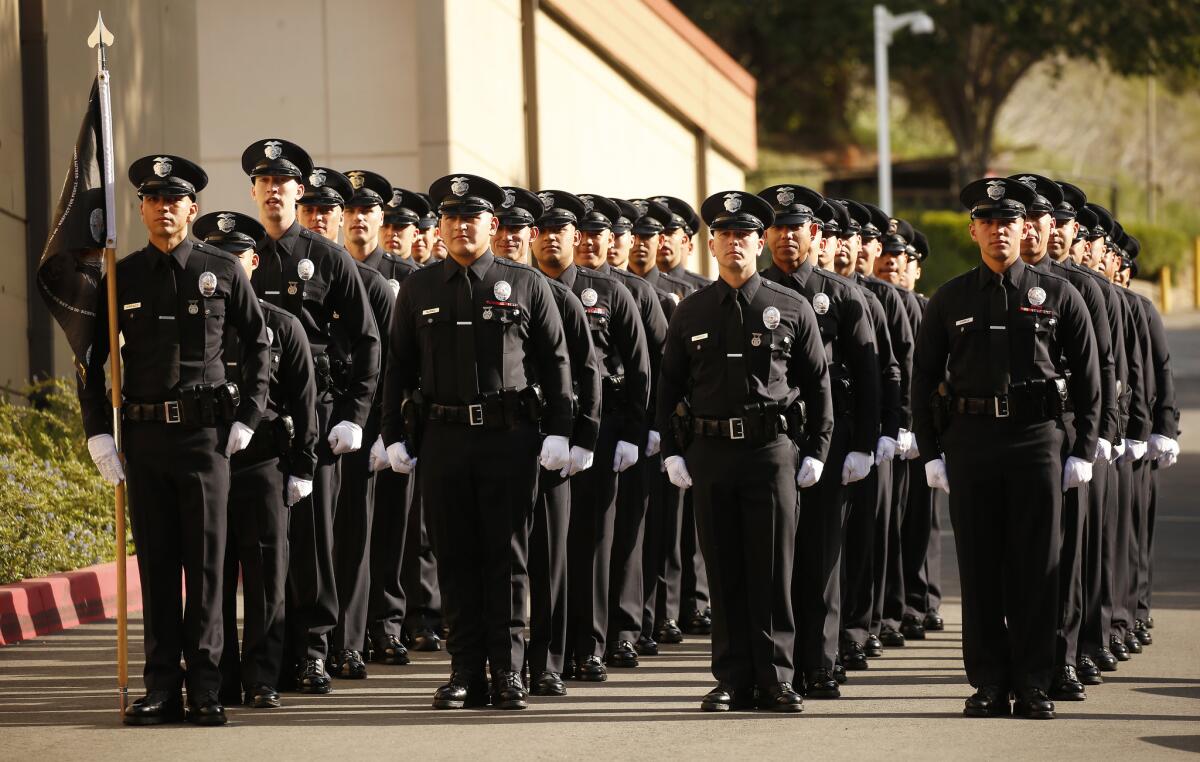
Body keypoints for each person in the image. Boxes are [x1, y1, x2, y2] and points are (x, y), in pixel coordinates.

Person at [81, 155, 270, 726]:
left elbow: (260, 344)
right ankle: (162, 686)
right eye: (154, 200)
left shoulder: (223, 269)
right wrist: (98, 432)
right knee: (158, 568)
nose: (164, 209)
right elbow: (92, 359)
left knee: (208, 567)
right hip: (143, 439)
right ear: (141, 209)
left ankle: (206, 687)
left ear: (193, 209)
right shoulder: (122, 276)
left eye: (175, 200)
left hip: (203, 440)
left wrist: (249, 416)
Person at [381, 173, 574, 710]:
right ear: (439, 226)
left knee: (506, 558)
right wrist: (393, 435)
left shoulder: (527, 284)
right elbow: (397, 368)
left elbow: (558, 365)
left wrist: (561, 431)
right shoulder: (420, 288)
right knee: (455, 558)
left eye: (473, 218)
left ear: (493, 224)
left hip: (508, 440)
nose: (462, 227)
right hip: (442, 440)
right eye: (452, 219)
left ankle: (509, 670)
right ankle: (466, 671)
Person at [912, 176, 1101, 720]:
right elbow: (922, 381)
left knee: (1037, 565)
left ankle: (1036, 679)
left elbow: (1090, 379)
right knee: (980, 566)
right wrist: (931, 452)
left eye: (1009, 223)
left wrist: (1083, 450)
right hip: (971, 442)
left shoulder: (1058, 295)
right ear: (974, 230)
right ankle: (990, 681)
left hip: (1037, 441)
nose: (999, 231)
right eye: (988, 222)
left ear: (1026, 229)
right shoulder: (951, 297)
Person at [659, 190, 833, 713]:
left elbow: (818, 385)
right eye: (726, 235)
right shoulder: (691, 311)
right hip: (711, 452)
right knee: (725, 568)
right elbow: (668, 389)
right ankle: (733, 677)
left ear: (760, 242)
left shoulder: (791, 307)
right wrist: (672, 450)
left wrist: (817, 449)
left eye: (745, 235)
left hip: (770, 451)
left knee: (774, 569)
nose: (735, 243)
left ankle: (777, 676)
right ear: (712, 244)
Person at [242, 137, 380, 694]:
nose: (274, 192)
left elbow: (369, 341)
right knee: (262, 543)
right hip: (254, 420)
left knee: (315, 538)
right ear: (253, 191)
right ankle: (266, 651)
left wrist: (354, 414)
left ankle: (315, 648)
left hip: (316, 417)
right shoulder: (238, 253)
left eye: (284, 184)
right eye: (264, 183)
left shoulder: (327, 257)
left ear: (300, 193)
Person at [758, 184, 879, 698]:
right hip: (775, 442)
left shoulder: (844, 295)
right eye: (779, 228)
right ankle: (777, 665)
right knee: (775, 558)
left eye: (798, 228)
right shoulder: (754, 291)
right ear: (766, 235)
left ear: (815, 233)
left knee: (823, 556)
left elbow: (871, 375)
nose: (788, 237)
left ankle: (820, 663)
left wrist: (864, 445)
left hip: (831, 441)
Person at [195, 211, 318, 711]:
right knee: (214, 575)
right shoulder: (195, 320)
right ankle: (218, 678)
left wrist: (304, 466)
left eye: (237, 256)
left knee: (267, 574)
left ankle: (262, 676)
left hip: (263, 463)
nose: (230, 265)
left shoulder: (283, 325)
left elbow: (304, 400)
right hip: (207, 462)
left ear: (254, 260)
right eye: (218, 255)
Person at [530, 189, 650, 681]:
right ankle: (548, 647)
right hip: (539, 434)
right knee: (546, 548)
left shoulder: (610, 292)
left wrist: (635, 435)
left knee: (594, 545)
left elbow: (641, 369)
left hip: (600, 433)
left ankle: (591, 645)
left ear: (575, 237)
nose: (552, 240)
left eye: (562, 231)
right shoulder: (521, 287)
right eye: (545, 232)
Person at [496, 185, 602, 696]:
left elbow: (586, 370)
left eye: (519, 232)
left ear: (533, 237)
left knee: (548, 560)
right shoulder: (480, 292)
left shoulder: (557, 296)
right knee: (503, 558)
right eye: (504, 230)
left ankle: (549, 663)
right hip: (502, 443)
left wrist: (582, 438)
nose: (510, 239)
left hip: (550, 441)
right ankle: (505, 661)